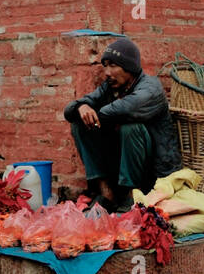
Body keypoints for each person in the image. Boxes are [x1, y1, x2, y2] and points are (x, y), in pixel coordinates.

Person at [63, 36, 182, 210]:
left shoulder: (150, 88)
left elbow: (124, 109)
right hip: (121, 167)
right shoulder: (111, 85)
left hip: (154, 172)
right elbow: (69, 111)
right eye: (105, 66)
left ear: (130, 68)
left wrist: (92, 111)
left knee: (130, 127)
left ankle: (131, 195)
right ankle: (106, 193)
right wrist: (82, 107)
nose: (107, 72)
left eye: (113, 66)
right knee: (80, 124)